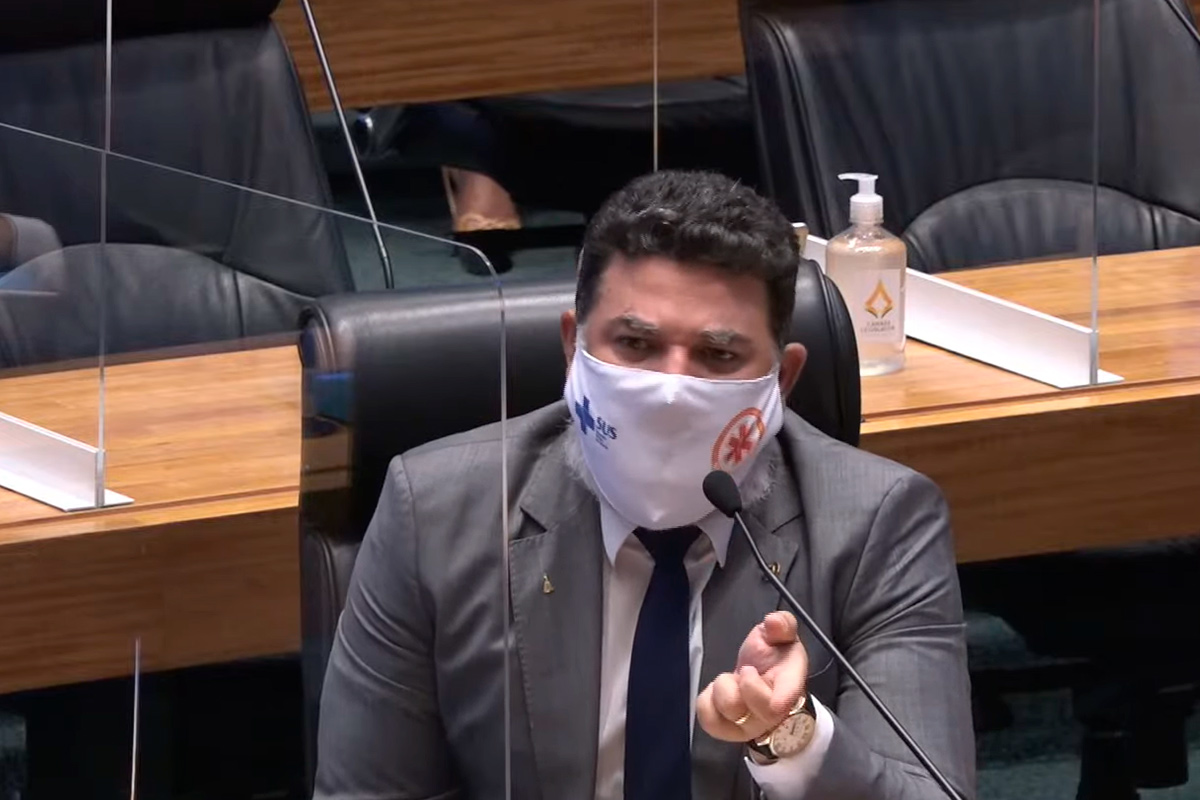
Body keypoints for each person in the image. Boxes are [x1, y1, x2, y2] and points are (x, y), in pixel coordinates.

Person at [314, 170, 975, 800]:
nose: (669, 392)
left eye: (717, 355)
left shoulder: (879, 521)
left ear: (782, 380)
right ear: (573, 350)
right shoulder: (434, 511)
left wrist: (792, 737)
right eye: (634, 344)